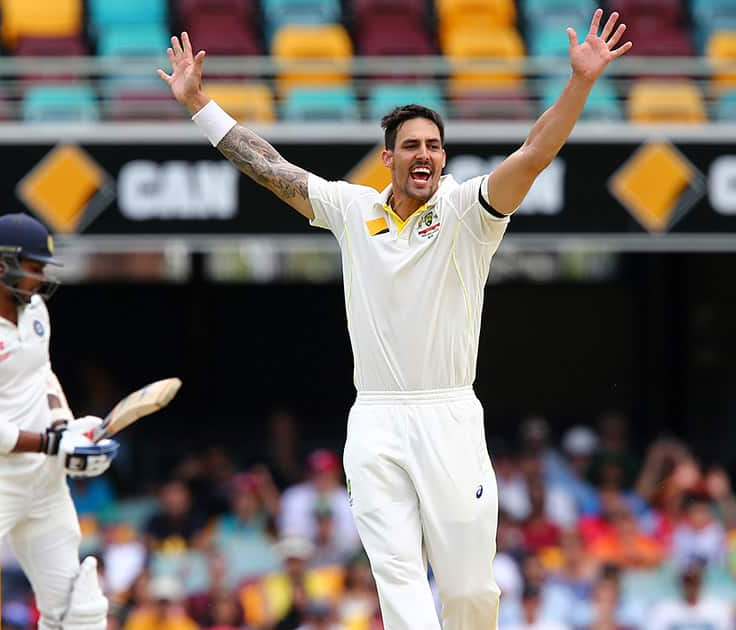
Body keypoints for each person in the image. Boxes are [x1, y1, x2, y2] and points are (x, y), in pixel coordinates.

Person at [158, 9, 631, 628]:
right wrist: (200, 105)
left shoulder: (469, 211)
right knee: (398, 578)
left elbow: (535, 152)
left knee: (469, 591)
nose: (425, 155)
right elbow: (271, 169)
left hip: (450, 415)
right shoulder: (355, 210)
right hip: (376, 416)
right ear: (389, 158)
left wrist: (581, 83)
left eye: (434, 146)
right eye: (412, 145)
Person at [0, 212, 120, 630]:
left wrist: (64, 424)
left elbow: (43, 375)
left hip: (43, 482)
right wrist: (53, 444)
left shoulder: (35, 311)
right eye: (34, 268)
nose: (40, 279)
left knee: (80, 610)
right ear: (0, 264)